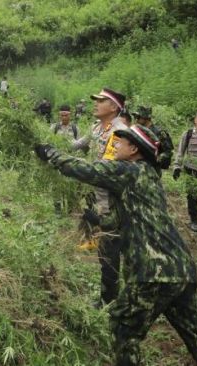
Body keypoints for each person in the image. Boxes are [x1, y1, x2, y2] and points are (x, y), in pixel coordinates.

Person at [34, 125, 197, 366]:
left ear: (134, 149)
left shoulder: (130, 171)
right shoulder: (147, 175)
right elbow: (121, 221)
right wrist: (98, 220)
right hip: (180, 269)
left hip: (153, 270)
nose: (114, 146)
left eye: (120, 143)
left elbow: (86, 169)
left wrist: (50, 153)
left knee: (122, 328)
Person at [72, 87, 128, 306]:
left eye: (100, 101)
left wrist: (69, 165)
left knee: (110, 247)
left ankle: (109, 299)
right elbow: (77, 145)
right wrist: (51, 146)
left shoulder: (120, 131)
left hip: (112, 199)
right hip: (97, 193)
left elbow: (106, 168)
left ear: (114, 107)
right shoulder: (97, 127)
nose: (95, 103)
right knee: (105, 246)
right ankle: (110, 294)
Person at [133, 105, 174, 171]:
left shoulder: (159, 132)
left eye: (138, 117)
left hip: (153, 168)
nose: (136, 119)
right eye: (135, 117)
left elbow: (168, 151)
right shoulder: (138, 130)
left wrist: (157, 159)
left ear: (146, 118)